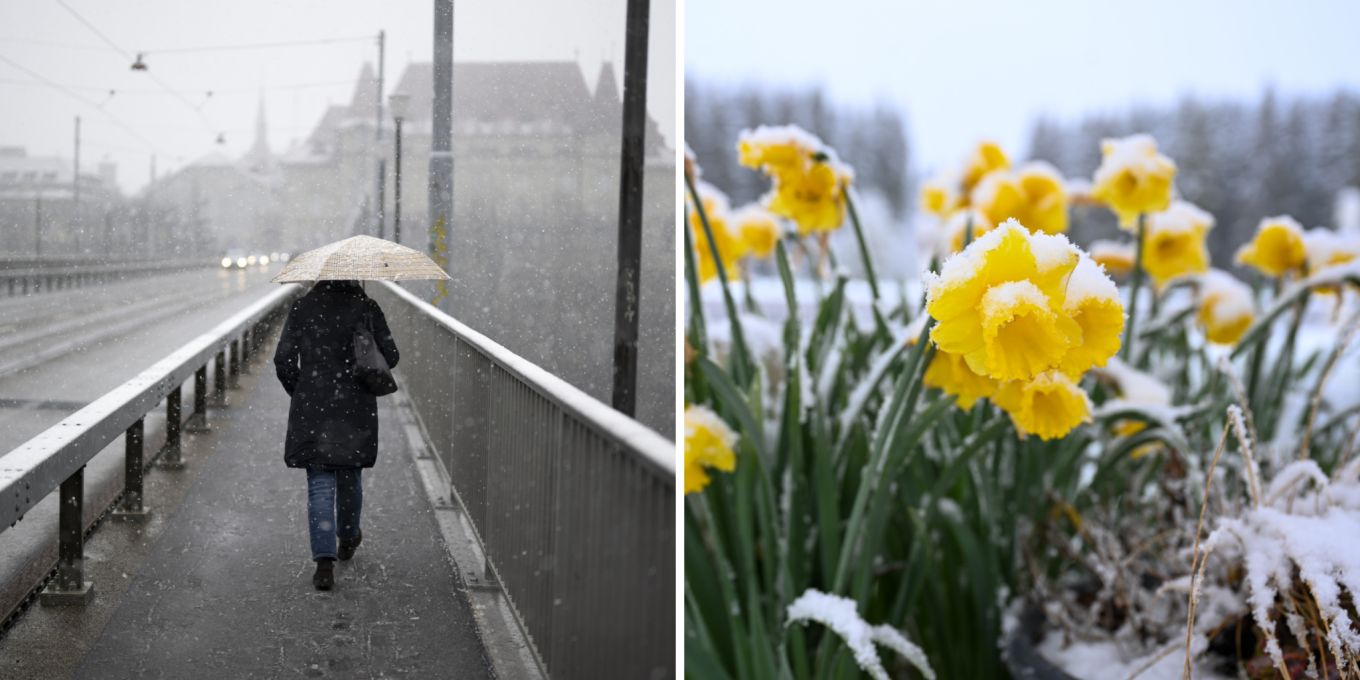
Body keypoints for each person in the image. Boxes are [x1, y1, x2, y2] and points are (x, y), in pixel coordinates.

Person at [273, 279, 399, 590]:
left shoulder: (303, 307)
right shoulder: (366, 307)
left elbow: (283, 359)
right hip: (354, 406)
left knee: (319, 480)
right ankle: (347, 536)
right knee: (349, 474)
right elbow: (391, 356)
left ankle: (324, 562)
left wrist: (301, 390)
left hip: (313, 403)